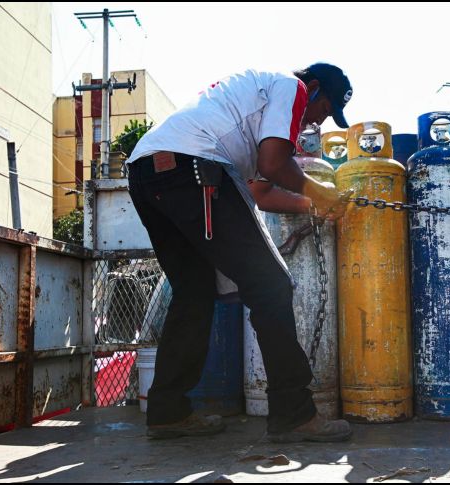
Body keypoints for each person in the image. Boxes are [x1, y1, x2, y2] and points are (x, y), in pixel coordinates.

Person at [125, 63, 354, 442]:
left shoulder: (247, 114)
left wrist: (314, 205)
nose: (316, 123)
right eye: (324, 111)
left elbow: (261, 192)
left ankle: (166, 412)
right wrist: (320, 190)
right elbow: (273, 166)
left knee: (193, 290)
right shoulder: (291, 87)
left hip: (148, 172)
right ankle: (293, 414)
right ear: (312, 88)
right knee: (271, 285)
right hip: (193, 168)